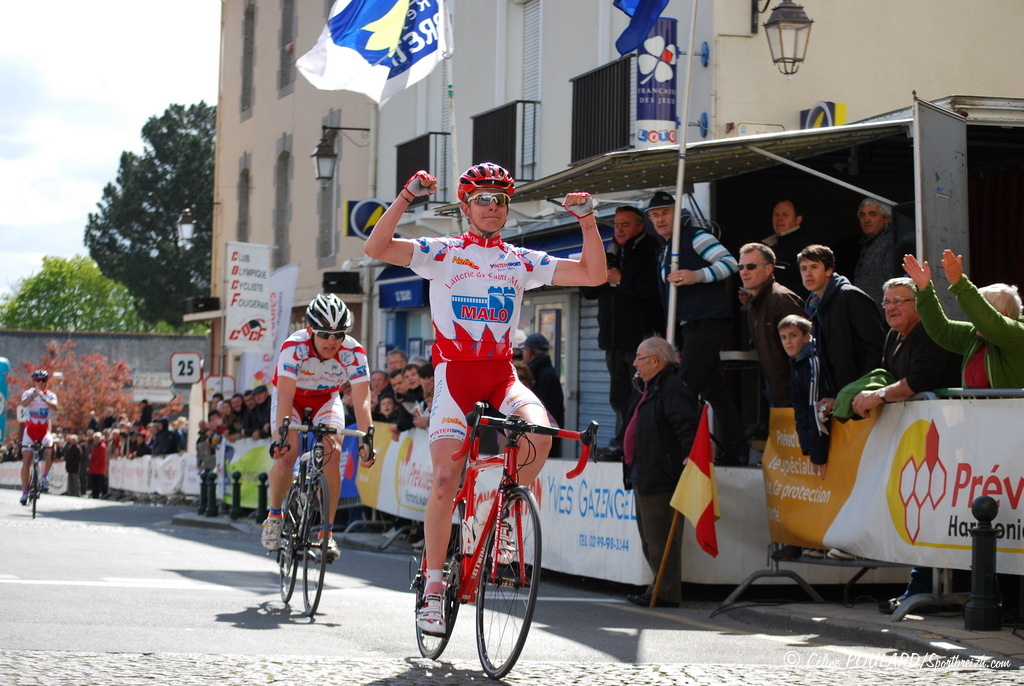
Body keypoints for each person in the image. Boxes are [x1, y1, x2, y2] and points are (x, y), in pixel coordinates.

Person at [365, 163, 605, 635]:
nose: (492, 207)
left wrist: (588, 222)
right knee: (443, 480)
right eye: (483, 199)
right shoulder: (443, 252)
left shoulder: (519, 259)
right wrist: (406, 198)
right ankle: (434, 588)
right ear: (465, 207)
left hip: (501, 375)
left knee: (539, 433)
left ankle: (507, 517)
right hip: (454, 379)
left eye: (500, 200)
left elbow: (594, 275)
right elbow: (376, 247)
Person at [260, 293, 375, 563]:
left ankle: (327, 531)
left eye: (339, 335)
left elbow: (362, 400)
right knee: (287, 453)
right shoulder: (294, 346)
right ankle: (274, 517)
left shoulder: (354, 351)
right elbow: (286, 395)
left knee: (332, 453)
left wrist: (367, 439)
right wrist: (281, 435)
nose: (332, 341)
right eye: (324, 334)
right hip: (293, 399)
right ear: (310, 330)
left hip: (326, 399)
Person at [646, 191, 747, 465]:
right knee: (714, 390)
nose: (660, 219)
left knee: (685, 387)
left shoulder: (696, 236)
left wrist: (697, 276)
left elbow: (730, 263)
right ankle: (736, 449)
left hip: (707, 320)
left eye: (665, 212)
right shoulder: (665, 249)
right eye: (655, 215)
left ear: (677, 213)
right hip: (690, 325)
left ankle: (686, 451)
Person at [619, 337, 700, 609]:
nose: (634, 363)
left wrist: (689, 454)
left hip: (660, 472)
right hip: (643, 470)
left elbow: (686, 424)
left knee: (661, 538)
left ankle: (665, 593)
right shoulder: (648, 387)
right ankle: (658, 587)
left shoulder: (671, 388)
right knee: (649, 537)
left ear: (655, 361)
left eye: (639, 358)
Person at [580, 205, 663, 453]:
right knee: (618, 397)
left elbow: (655, 288)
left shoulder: (653, 250)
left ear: (640, 227)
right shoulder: (609, 252)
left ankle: (641, 444)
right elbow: (588, 291)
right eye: (616, 225)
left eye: (626, 225)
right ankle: (623, 443)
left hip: (640, 341)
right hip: (612, 341)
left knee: (642, 394)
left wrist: (622, 280)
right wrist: (597, 275)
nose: (620, 229)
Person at [904, 250, 1024, 387]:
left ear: (1003, 314)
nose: (973, 315)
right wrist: (924, 288)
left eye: (983, 307)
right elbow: (941, 330)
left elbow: (991, 323)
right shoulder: (974, 337)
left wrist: (960, 283)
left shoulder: (1019, 334)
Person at [849, 277, 961, 418]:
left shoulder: (930, 331)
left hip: (946, 420)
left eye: (898, 301)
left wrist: (879, 396)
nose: (891, 307)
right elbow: (886, 377)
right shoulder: (893, 334)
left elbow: (920, 381)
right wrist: (847, 399)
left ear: (918, 303)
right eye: (887, 302)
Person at [798, 244, 886, 409]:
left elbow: (877, 348)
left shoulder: (850, 296)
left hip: (866, 400)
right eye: (803, 268)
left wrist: (862, 390)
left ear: (829, 270)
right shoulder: (816, 307)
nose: (808, 273)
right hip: (846, 400)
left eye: (814, 267)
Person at [737, 243, 805, 408]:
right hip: (777, 396)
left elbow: (804, 354)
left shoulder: (781, 299)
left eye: (751, 266)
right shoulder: (755, 304)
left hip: (796, 398)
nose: (744, 272)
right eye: (740, 266)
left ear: (768, 269)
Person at [849, 198, 914, 305]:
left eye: (872, 214)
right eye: (862, 215)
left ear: (886, 219)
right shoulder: (869, 244)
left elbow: (893, 279)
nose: (866, 220)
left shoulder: (890, 242)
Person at [19, 369, 59, 505]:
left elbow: (55, 407)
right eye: (38, 380)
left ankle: (44, 477)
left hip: (44, 431)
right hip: (30, 432)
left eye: (43, 380)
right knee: (27, 461)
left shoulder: (50, 395)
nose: (41, 383)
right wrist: (33, 397)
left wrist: (43, 398)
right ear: (34, 382)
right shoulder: (28, 393)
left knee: (50, 449)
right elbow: (23, 404)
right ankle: (24, 492)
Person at [761, 199, 811, 298]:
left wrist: (769, 292)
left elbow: (809, 286)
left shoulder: (804, 248)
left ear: (798, 220)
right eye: (776, 214)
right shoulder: (765, 246)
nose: (779, 218)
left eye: (785, 214)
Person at [518, 333, 565, 428]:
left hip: (544, 432)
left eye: (524, 349)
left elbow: (548, 410)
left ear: (529, 352)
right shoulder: (541, 372)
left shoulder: (545, 376)